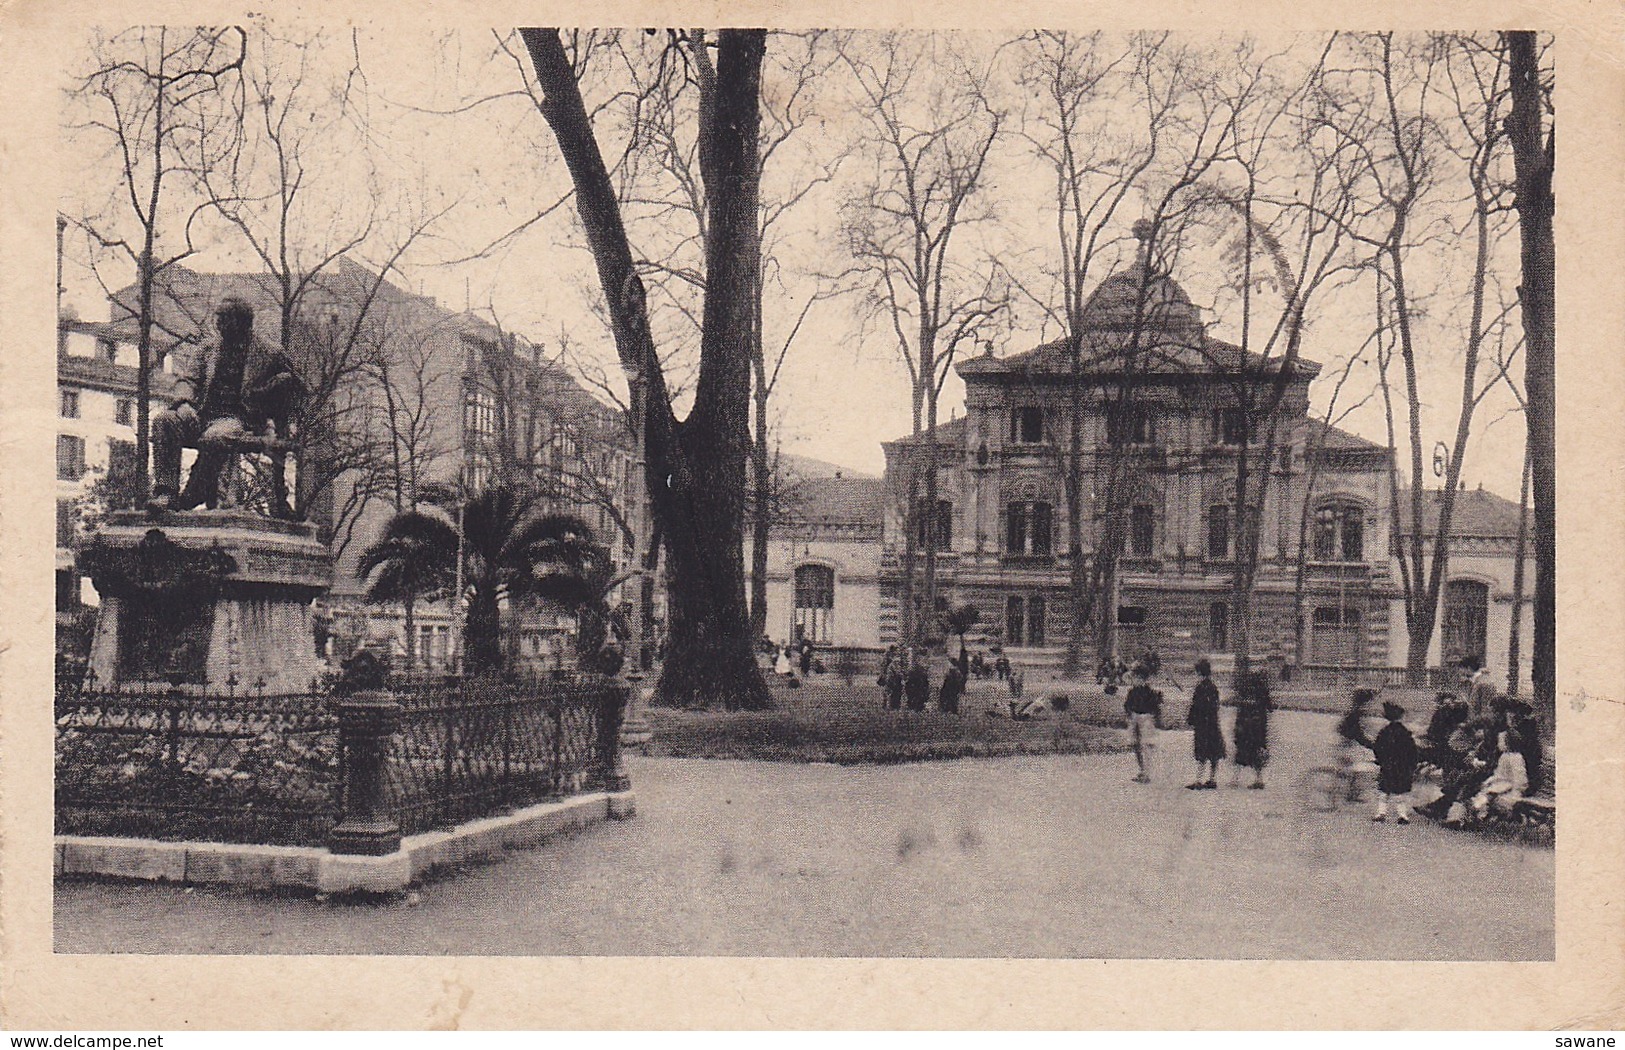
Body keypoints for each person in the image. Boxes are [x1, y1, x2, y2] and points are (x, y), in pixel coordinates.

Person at [148, 297, 305, 516]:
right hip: (201, 414)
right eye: (218, 318)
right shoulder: (208, 348)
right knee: (165, 420)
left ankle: (193, 493)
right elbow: (188, 380)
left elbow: (296, 386)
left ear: (242, 323)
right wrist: (184, 403)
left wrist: (271, 398)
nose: (218, 324)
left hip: (239, 419)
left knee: (216, 437)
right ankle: (165, 492)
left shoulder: (269, 352)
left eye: (224, 319)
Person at [1370, 700, 1419, 824]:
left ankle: (1381, 813)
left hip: (1387, 765)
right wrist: (1412, 765)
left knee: (1383, 791)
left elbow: (1377, 748)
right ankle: (1402, 815)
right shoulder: (1405, 733)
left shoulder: (1384, 732)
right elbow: (1412, 751)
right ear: (1401, 717)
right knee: (1400, 791)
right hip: (1401, 767)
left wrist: (1380, 760)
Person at [1470, 729, 1530, 819]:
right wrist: (1489, 781)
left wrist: (1516, 790)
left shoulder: (1516, 757)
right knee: (1486, 792)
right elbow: (1499, 774)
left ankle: (1481, 812)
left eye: (1500, 741)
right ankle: (1478, 810)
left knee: (1493, 797)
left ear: (1508, 742)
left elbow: (1520, 779)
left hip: (1512, 789)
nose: (1498, 744)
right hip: (1501, 785)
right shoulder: (1504, 756)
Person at [1185, 658, 1225, 790]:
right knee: (1214, 752)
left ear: (1198, 672)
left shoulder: (1200, 688)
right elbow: (1215, 705)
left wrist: (1191, 719)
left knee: (1202, 752)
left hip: (1202, 724)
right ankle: (1212, 778)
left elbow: (1196, 706)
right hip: (1212, 723)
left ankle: (1199, 779)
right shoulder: (1213, 687)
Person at [1230, 671, 1272, 789]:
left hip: (1245, 729)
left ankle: (1236, 778)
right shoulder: (1263, 695)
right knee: (1257, 751)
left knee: (1241, 751)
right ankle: (1259, 779)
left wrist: (1237, 729)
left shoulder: (1244, 696)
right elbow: (1270, 708)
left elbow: (1240, 714)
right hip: (1258, 729)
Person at [1123, 664, 1162, 784]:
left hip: (1146, 718)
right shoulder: (1132, 691)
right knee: (1136, 745)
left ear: (1143, 679)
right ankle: (1141, 769)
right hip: (1135, 718)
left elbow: (1155, 708)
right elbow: (1127, 705)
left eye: (1137, 678)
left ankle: (1147, 772)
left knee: (1146, 744)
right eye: (1134, 678)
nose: (1135, 680)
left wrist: (1153, 718)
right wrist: (1129, 714)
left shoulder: (1150, 692)